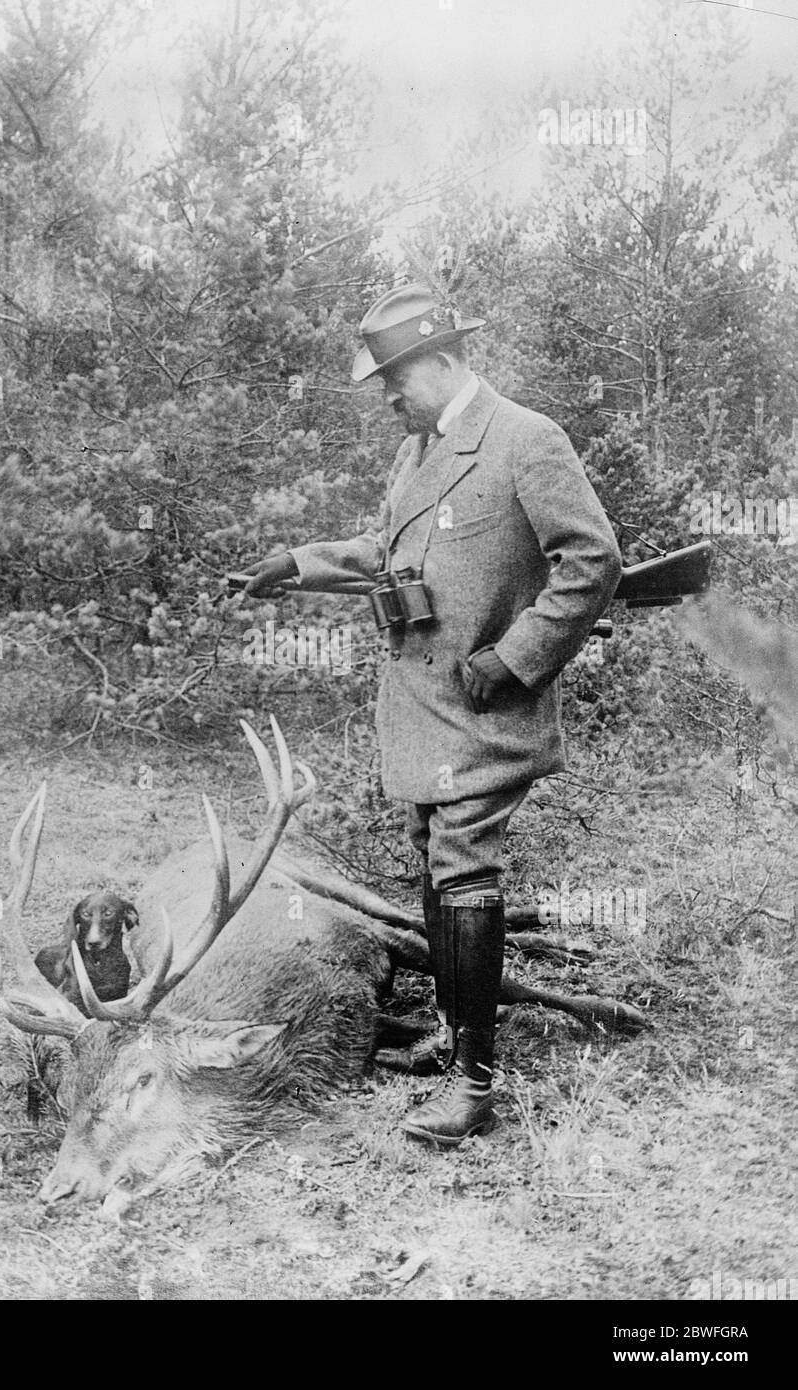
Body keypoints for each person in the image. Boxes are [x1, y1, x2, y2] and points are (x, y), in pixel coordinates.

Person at [240, 282, 622, 1145]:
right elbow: (388, 552)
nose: (386, 396)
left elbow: (591, 558)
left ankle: (474, 1083)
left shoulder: (526, 439)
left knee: (462, 865)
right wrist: (294, 563)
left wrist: (516, 657)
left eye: (395, 377)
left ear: (444, 363)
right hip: (422, 705)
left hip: (487, 705)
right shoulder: (418, 454)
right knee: (432, 862)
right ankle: (456, 1040)